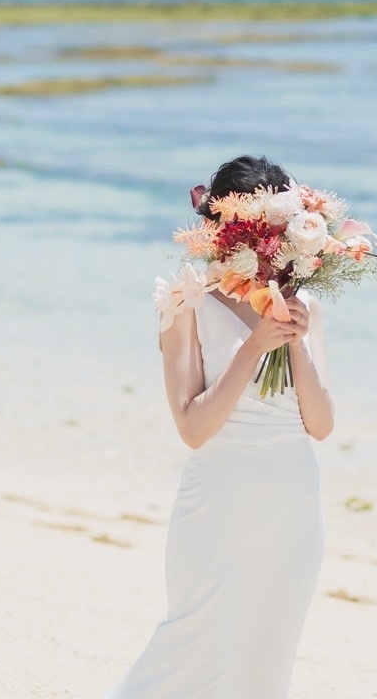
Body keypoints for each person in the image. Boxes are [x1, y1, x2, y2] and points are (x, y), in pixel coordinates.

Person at [101, 154, 334, 699]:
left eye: (274, 230)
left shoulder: (306, 305)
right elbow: (192, 428)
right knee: (189, 649)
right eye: (253, 229)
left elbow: (321, 426)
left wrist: (294, 341)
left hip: (293, 508)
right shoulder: (186, 302)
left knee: (266, 661)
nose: (265, 243)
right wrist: (254, 347)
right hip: (218, 507)